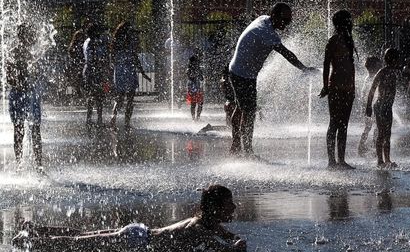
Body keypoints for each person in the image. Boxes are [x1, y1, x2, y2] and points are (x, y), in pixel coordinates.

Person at [12, 184, 247, 252]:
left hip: (138, 233)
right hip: (135, 240)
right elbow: (222, 247)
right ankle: (31, 242)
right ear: (215, 208)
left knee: (82, 236)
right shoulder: (199, 228)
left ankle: (36, 228)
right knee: (79, 244)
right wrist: (236, 247)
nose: (234, 208)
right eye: (229, 204)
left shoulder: (209, 223)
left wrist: (235, 240)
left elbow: (227, 236)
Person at [228, 2, 315, 156]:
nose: (286, 24)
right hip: (243, 74)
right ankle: (247, 151)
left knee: (241, 108)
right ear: (274, 15)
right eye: (285, 20)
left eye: (289, 21)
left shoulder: (263, 19)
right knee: (249, 112)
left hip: (237, 70)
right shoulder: (267, 32)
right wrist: (304, 69)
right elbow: (286, 53)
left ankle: (236, 146)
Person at [319, 10, 357, 170]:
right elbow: (326, 64)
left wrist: (354, 87)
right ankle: (331, 161)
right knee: (334, 123)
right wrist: (325, 86)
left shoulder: (349, 40)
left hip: (348, 87)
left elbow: (351, 66)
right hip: (335, 87)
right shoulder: (333, 41)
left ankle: (341, 160)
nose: (351, 23)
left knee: (344, 125)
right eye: (349, 20)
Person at [7, 24, 43, 172]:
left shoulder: (28, 54)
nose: (32, 38)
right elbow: (10, 78)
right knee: (27, 130)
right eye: (29, 35)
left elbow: (9, 78)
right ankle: (30, 163)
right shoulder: (16, 53)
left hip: (26, 94)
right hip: (22, 94)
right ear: (23, 36)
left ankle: (28, 163)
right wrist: (22, 85)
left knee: (25, 130)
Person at [109, 21, 151, 130]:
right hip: (129, 70)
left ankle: (113, 117)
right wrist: (142, 72)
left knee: (120, 96)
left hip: (120, 70)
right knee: (130, 98)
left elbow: (112, 58)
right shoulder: (130, 41)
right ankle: (126, 123)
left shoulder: (115, 42)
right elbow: (135, 58)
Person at [365, 48, 401, 169]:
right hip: (380, 106)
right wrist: (368, 106)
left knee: (388, 133)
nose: (398, 62)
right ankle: (380, 160)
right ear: (393, 60)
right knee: (381, 133)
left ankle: (388, 159)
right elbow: (372, 90)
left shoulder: (393, 72)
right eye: (397, 59)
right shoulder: (382, 72)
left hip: (387, 107)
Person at [83, 23, 111, 128]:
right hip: (94, 71)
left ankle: (90, 119)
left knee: (92, 95)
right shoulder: (92, 43)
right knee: (98, 96)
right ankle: (98, 119)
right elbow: (94, 58)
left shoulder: (87, 41)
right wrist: (103, 65)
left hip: (89, 70)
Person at [357, 56, 382, 157]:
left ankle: (363, 145)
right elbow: (368, 93)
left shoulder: (369, 77)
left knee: (369, 127)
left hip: (369, 105)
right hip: (370, 106)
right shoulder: (371, 78)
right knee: (375, 127)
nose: (380, 66)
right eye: (378, 64)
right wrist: (368, 106)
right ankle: (370, 145)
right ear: (373, 66)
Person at [67, 28, 87, 103]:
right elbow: (71, 54)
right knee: (72, 82)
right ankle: (70, 96)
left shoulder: (82, 44)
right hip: (75, 64)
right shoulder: (74, 45)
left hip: (80, 64)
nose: (80, 38)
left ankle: (79, 96)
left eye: (81, 36)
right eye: (79, 36)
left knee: (78, 81)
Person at [186, 54, 205, 121]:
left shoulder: (193, 69)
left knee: (197, 103)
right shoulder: (190, 69)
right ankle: (195, 118)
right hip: (194, 87)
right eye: (195, 61)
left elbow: (202, 78)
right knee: (196, 103)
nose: (196, 63)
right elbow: (191, 77)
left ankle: (196, 118)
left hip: (195, 87)